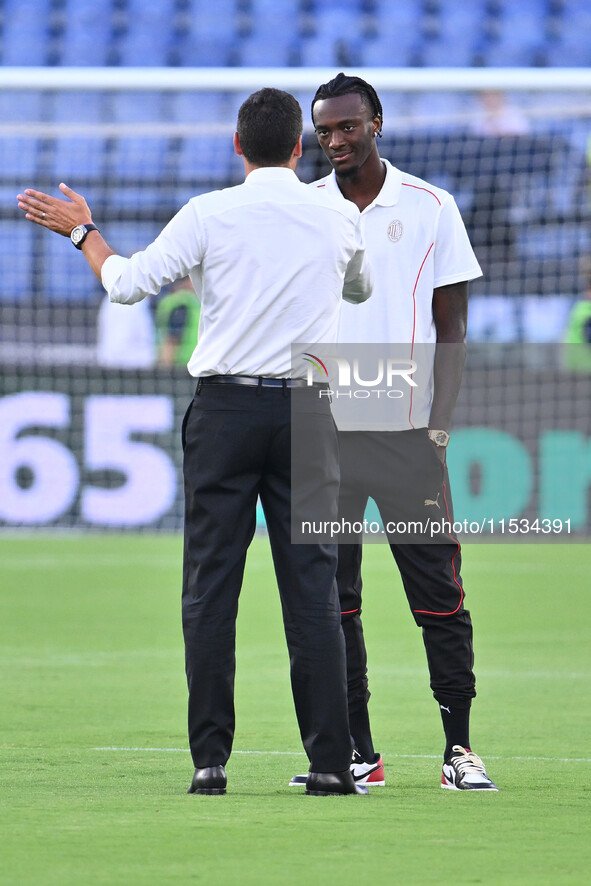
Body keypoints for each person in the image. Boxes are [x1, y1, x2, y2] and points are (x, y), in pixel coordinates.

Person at [17, 87, 373, 797]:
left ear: (237, 147)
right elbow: (359, 290)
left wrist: (85, 233)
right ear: (299, 148)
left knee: (211, 587)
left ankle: (210, 761)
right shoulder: (336, 215)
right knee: (312, 589)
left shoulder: (209, 213)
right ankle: (333, 764)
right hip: (306, 410)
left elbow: (126, 286)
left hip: (226, 411)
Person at [290, 73, 497, 791]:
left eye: (347, 127)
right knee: (331, 602)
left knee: (438, 597)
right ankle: (357, 755)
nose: (335, 141)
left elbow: (452, 328)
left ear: (376, 123)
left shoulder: (432, 207)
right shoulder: (301, 209)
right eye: (323, 131)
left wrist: (438, 429)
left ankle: (458, 752)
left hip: (407, 433)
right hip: (324, 433)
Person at [96, 293, 156, 369]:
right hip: (133, 366)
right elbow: (143, 337)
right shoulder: (138, 303)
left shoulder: (109, 299)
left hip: (109, 363)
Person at [155, 276, 200, 367]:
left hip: (184, 366)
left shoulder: (178, 301)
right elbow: (172, 339)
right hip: (187, 366)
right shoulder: (184, 303)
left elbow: (170, 341)